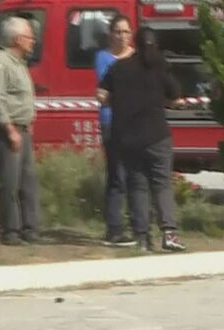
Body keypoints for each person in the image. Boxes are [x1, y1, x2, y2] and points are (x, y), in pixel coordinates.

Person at [98, 27, 186, 252]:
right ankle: (168, 233)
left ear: (134, 43)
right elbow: (177, 97)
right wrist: (165, 101)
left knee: (137, 186)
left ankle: (142, 238)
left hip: (128, 138)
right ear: (155, 45)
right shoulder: (160, 66)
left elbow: (102, 96)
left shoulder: (119, 67)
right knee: (162, 184)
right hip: (157, 136)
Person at [0, 16, 39, 246]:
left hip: (22, 129)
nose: (33, 41)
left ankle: (30, 228)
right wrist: (11, 131)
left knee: (28, 181)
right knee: (9, 183)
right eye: (29, 37)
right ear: (17, 39)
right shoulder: (0, 63)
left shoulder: (19, 63)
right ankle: (11, 232)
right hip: (8, 132)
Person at [94, 14, 135, 247]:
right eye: (118, 31)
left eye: (126, 32)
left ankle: (138, 223)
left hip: (135, 124)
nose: (122, 36)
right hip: (112, 123)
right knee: (117, 175)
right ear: (111, 34)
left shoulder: (138, 58)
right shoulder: (102, 58)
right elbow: (107, 92)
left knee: (136, 176)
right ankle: (114, 228)